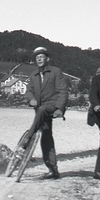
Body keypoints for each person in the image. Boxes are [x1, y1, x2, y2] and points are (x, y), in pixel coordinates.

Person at [22, 46, 69, 179]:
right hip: (39, 109)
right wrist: (31, 99)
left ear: (47, 59)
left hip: (52, 106)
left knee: (42, 111)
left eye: (42, 57)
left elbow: (63, 91)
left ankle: (28, 138)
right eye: (37, 58)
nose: (39, 59)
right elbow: (29, 91)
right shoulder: (33, 75)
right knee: (46, 137)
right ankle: (53, 169)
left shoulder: (56, 72)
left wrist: (60, 109)